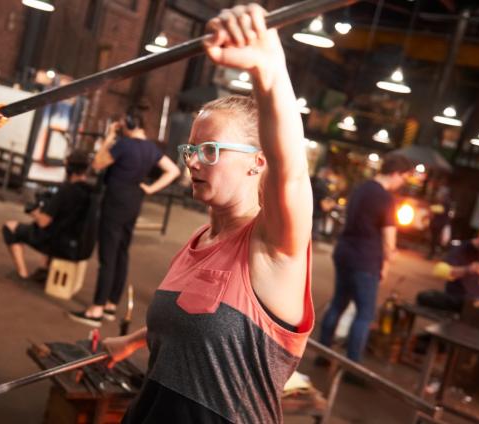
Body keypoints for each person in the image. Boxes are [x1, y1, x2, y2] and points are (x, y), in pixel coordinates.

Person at [102, 5, 314, 422]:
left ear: (258, 161)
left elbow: (291, 171)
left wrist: (268, 70)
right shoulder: (199, 241)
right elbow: (198, 315)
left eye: (211, 151)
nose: (193, 162)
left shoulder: (273, 248)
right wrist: (132, 341)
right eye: (191, 150)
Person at [67, 107, 180, 326]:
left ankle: (96, 310)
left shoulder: (123, 144)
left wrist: (110, 136)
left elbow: (98, 164)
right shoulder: (151, 148)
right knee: (121, 252)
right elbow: (173, 170)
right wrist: (150, 189)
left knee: (107, 256)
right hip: (133, 202)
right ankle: (110, 305)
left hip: (114, 203)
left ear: (127, 123)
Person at [317, 153, 413, 363]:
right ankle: (353, 365)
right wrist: (389, 260)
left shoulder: (360, 188)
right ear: (396, 173)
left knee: (337, 304)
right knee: (365, 314)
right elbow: (389, 240)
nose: (402, 183)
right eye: (404, 178)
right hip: (365, 259)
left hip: (344, 251)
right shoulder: (385, 198)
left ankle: (322, 354)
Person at [2, 150, 93, 279]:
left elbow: (44, 222)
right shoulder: (91, 193)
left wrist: (34, 212)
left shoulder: (66, 191)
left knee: (10, 228)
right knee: (55, 228)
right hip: (78, 246)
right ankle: (44, 270)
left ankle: (22, 275)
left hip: (57, 244)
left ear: (69, 168)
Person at [310, 167, 336, 240]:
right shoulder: (323, 187)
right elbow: (324, 206)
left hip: (306, 213)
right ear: (328, 175)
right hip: (316, 217)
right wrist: (331, 204)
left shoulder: (311, 181)